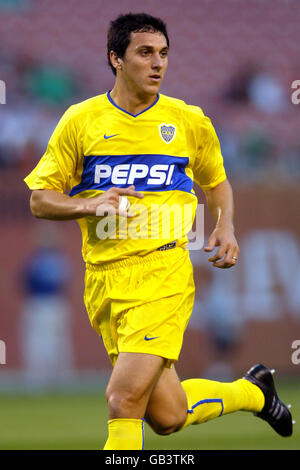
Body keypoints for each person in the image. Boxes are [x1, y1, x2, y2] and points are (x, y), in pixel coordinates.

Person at [24, 13, 293, 450]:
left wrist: (225, 224)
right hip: (105, 282)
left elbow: (216, 182)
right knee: (167, 416)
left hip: (163, 272)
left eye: (163, 54)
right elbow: (39, 199)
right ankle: (254, 391)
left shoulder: (186, 120)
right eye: (145, 53)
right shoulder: (81, 121)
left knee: (122, 399)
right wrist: (89, 203)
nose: (157, 64)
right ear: (116, 58)